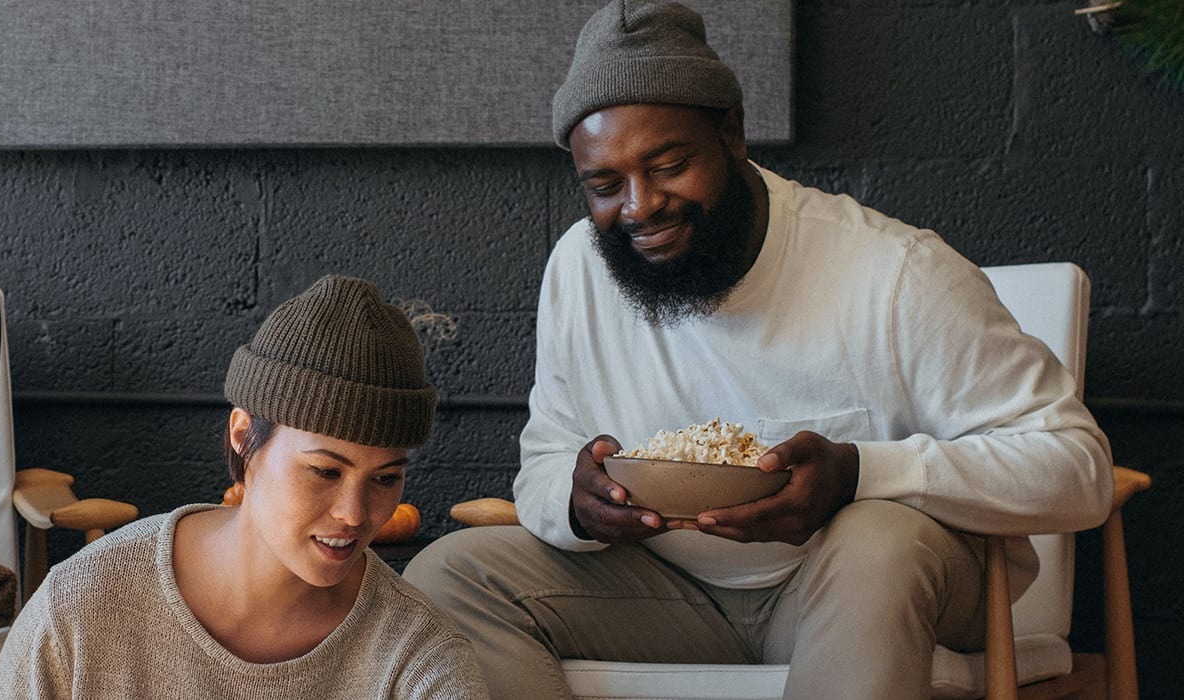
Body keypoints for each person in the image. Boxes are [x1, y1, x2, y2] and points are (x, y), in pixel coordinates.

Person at [403, 2, 1114, 698]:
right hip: (669, 596)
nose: (640, 205)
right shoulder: (579, 268)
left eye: (669, 164)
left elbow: (1076, 467)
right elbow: (544, 464)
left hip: (870, 589)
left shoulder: (894, 274)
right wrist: (578, 501)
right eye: (605, 184)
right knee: (449, 577)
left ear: (734, 134)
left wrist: (859, 473)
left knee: (877, 537)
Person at [0, 275, 488, 699]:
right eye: (325, 471)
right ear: (244, 435)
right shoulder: (85, 607)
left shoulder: (419, 661)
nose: (354, 514)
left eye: (385, 478)